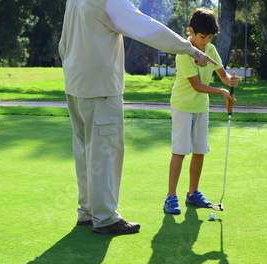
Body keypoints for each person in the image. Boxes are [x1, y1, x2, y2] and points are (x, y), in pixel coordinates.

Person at [59, 0, 218, 234]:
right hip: (100, 84)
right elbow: (144, 26)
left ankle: (88, 211)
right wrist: (189, 49)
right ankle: (105, 218)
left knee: (84, 148)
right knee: (105, 150)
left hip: (75, 80)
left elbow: (64, 42)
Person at [163, 8, 239, 215]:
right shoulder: (184, 52)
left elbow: (223, 75)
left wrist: (230, 82)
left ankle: (192, 193)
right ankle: (170, 196)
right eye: (202, 36)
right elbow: (196, 85)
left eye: (209, 37)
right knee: (180, 151)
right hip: (182, 106)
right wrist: (221, 91)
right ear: (191, 31)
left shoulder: (211, 50)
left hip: (200, 107)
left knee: (199, 150)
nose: (205, 41)